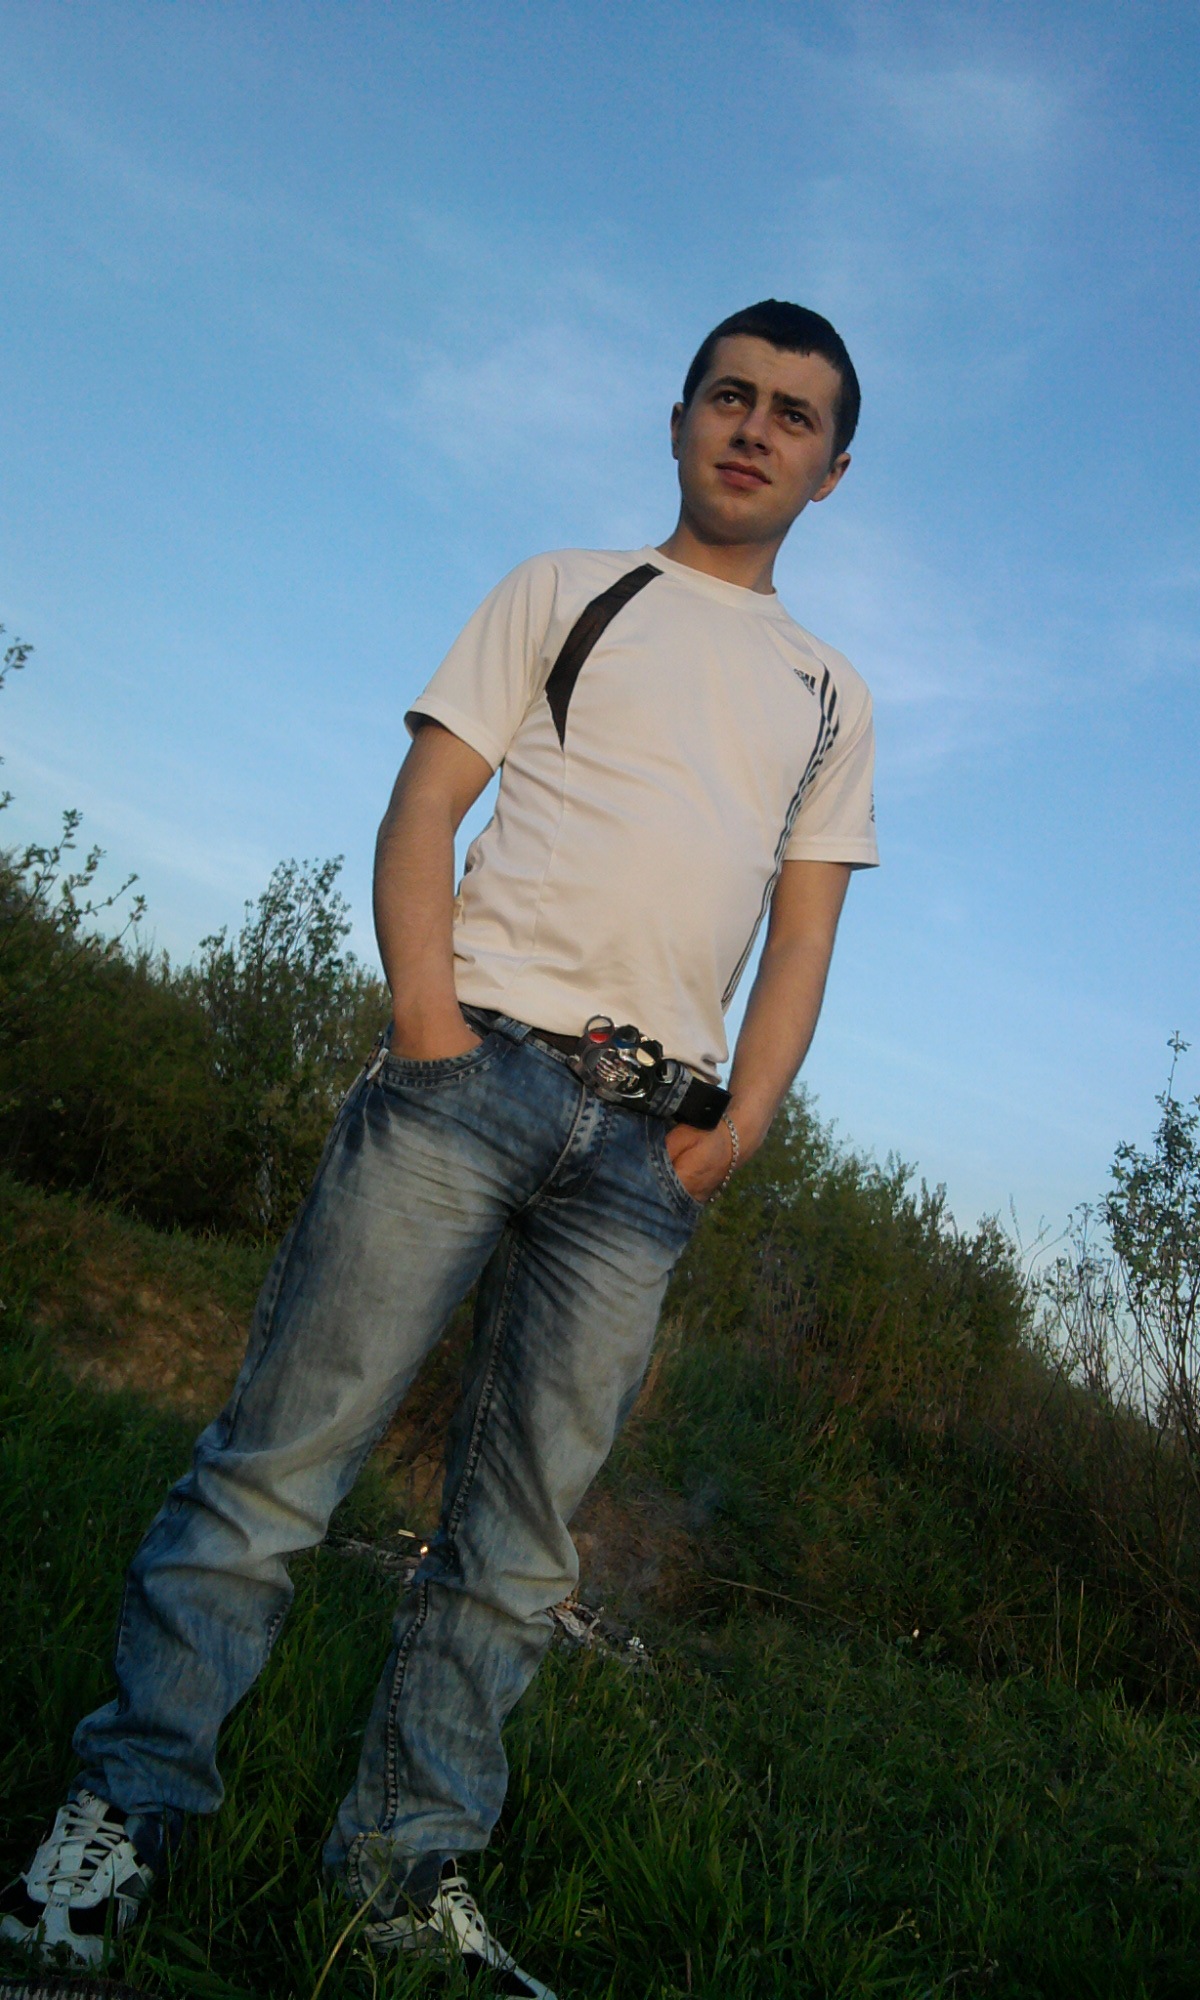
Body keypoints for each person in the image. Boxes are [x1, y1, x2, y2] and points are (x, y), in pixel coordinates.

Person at [1, 299, 878, 1998]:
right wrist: (426, 1023)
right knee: (279, 1466)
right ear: (680, 419)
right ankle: (123, 1816)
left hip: (644, 1155)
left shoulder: (833, 696)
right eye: (730, 396)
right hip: (471, 1076)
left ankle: (401, 1880)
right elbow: (426, 801)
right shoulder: (566, 588)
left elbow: (807, 935)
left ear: (832, 471)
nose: (755, 429)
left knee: (523, 1548)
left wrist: (737, 1131)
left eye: (794, 415)